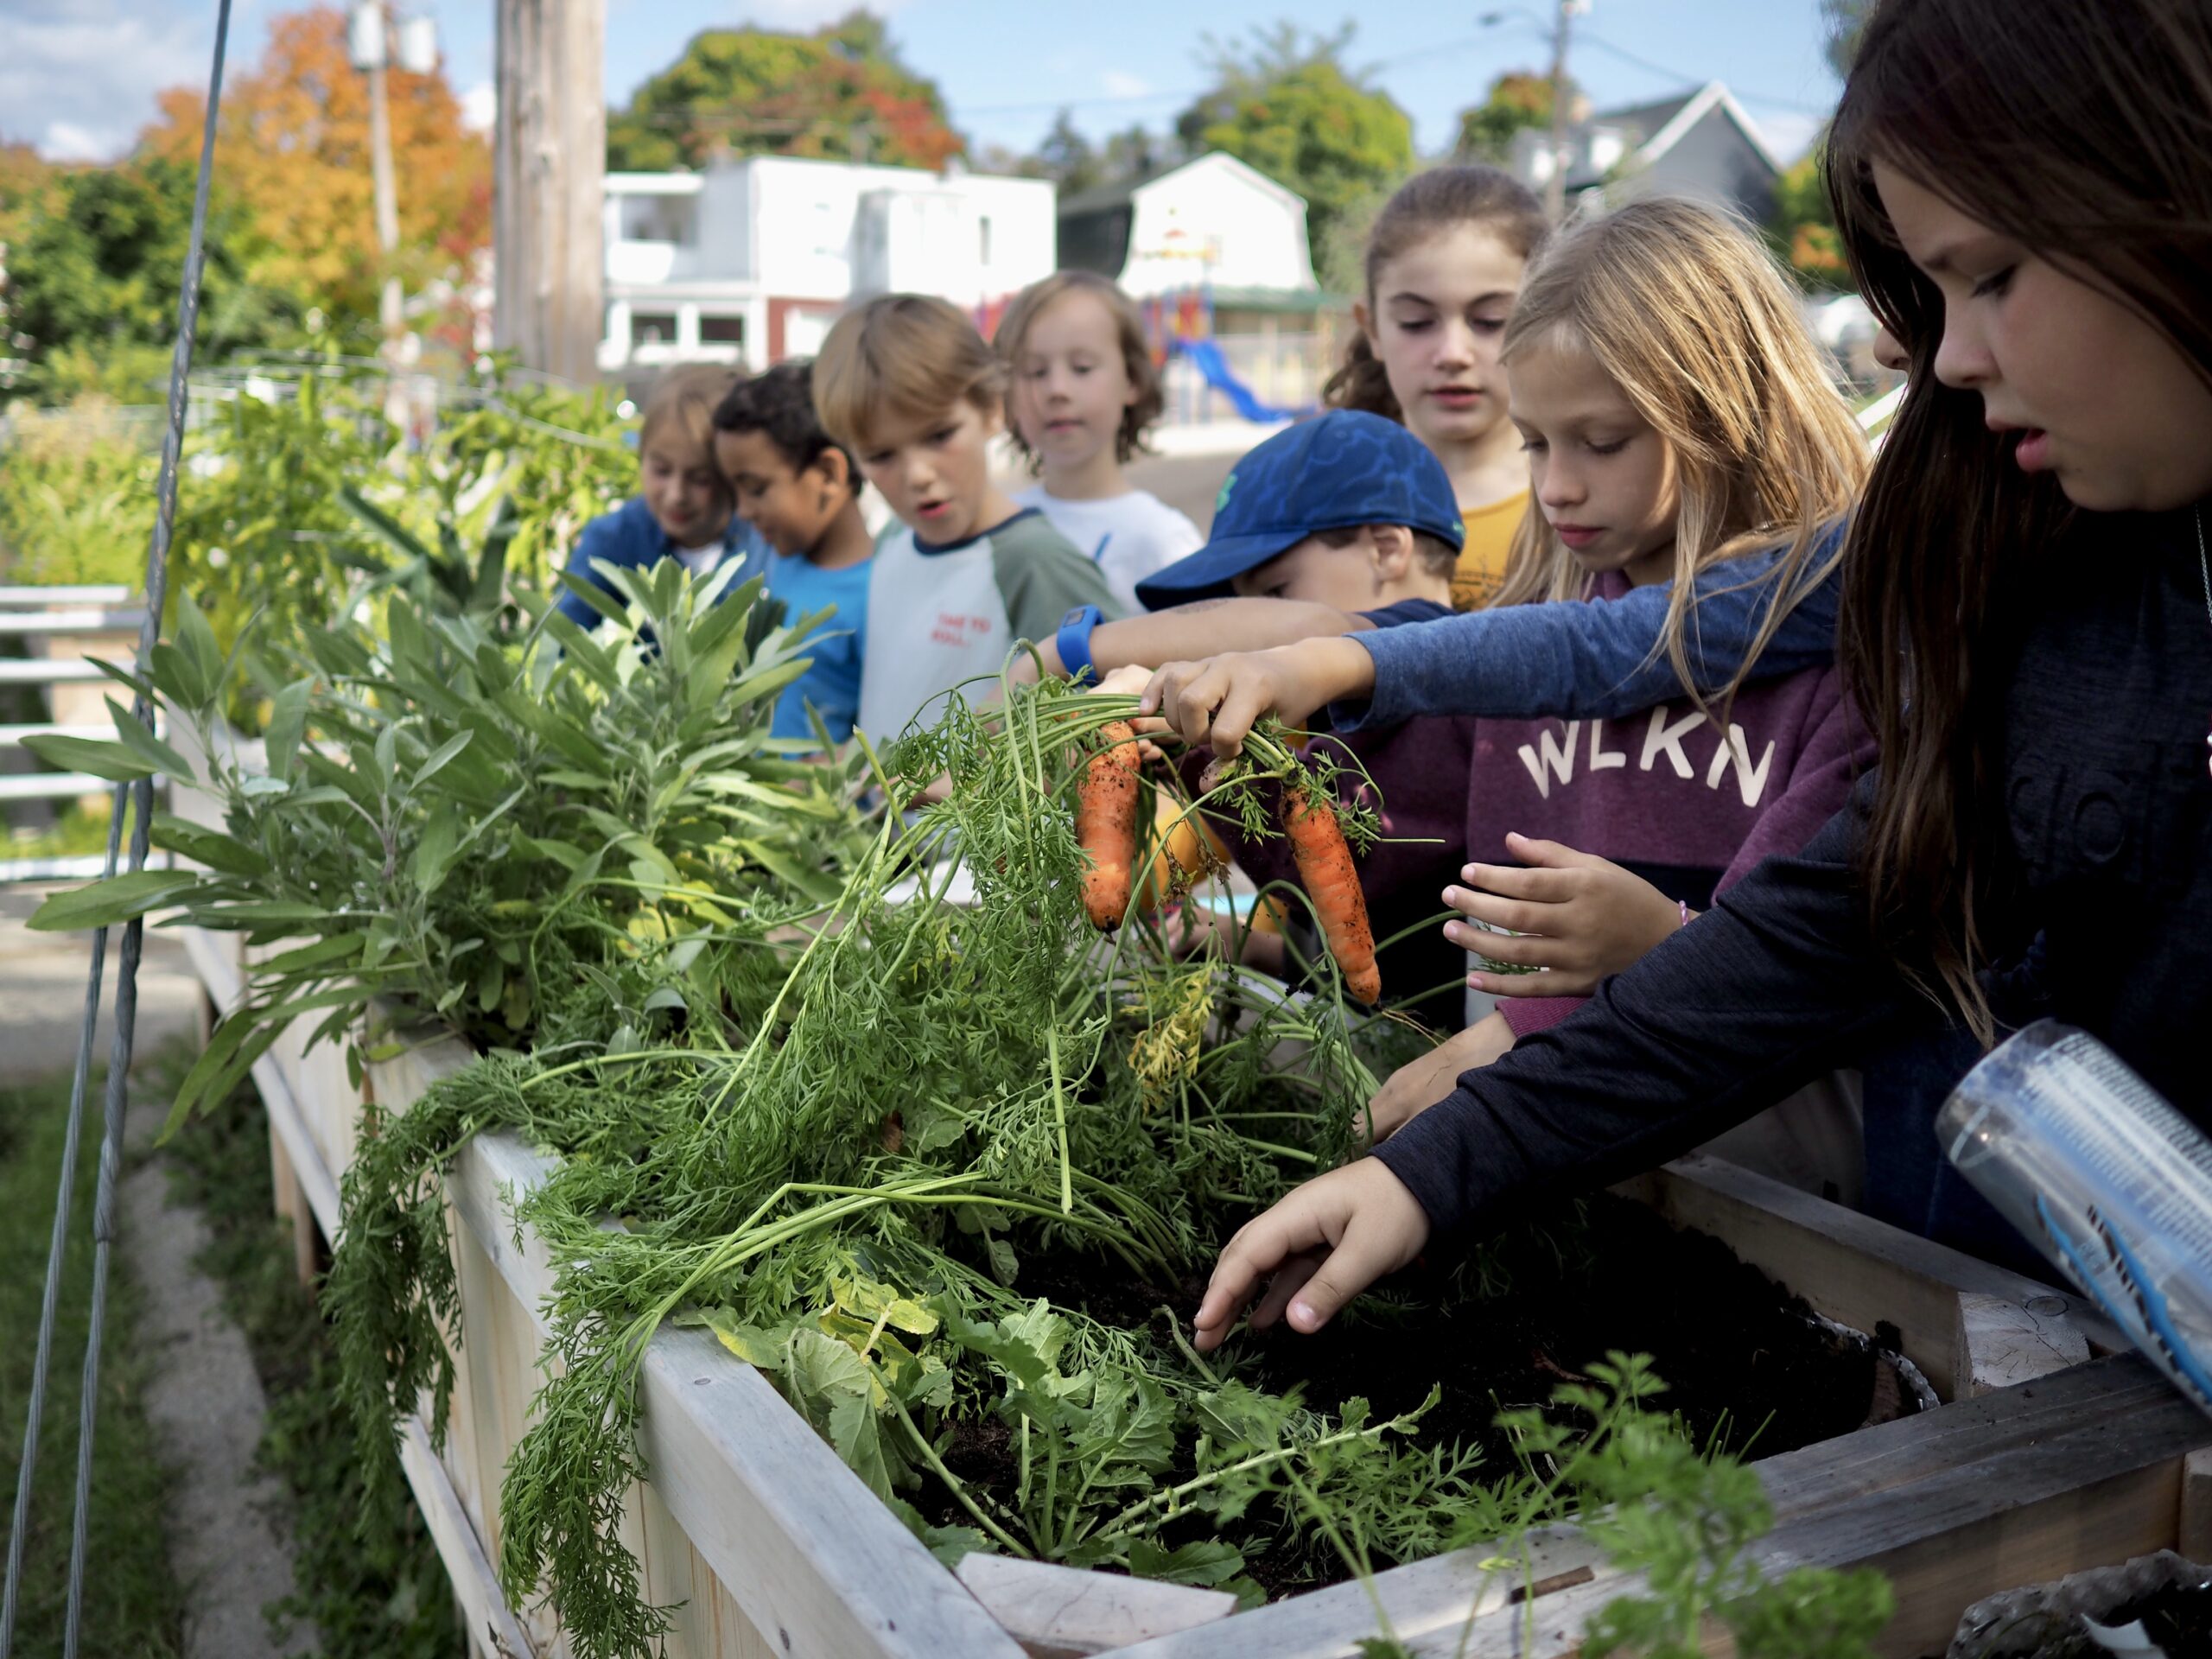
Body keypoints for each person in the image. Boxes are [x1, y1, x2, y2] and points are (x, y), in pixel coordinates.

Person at [1151, 0, 2212, 1355]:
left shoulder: (1898, 616)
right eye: (1928, 297)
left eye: (1988, 276)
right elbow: (1800, 915)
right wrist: (1434, 1171)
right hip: (2013, 1320)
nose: (1940, 356)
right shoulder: (2030, 562)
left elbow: (1774, 938)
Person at [1350, 199, 1875, 1200]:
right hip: (1535, 1156)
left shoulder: (1835, 664)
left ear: (1722, 415)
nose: (1556, 486)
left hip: (1760, 1191)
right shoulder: (1527, 638)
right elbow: (1376, 834)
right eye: (1534, 443)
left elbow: (1805, 974)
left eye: (1599, 441)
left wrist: (1654, 943)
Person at [810, 294, 1122, 743]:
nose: (918, 475)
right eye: (880, 455)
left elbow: (1106, 729)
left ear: (992, 409)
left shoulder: (1035, 562)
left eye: (939, 435)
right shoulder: (893, 539)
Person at [1324, 167, 1549, 611]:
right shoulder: (1316, 498)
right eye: (1417, 322)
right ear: (1371, 328)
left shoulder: (1589, 508)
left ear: (1547, 319)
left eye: (1491, 321)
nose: (1453, 354)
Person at [997, 271, 1204, 613]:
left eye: (1082, 368)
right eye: (1036, 372)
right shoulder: (998, 525)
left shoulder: (1164, 541)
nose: (1057, 390)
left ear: (1132, 380)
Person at [711, 362, 874, 745]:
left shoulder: (878, 595)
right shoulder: (775, 560)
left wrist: (831, 770)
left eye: (756, 489)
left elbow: (889, 732)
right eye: (735, 492)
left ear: (829, 474)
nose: (742, 511)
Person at [553, 364, 769, 629]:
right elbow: (563, 637)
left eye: (700, 478)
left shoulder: (764, 542)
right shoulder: (613, 540)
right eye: (662, 471)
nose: (677, 495)